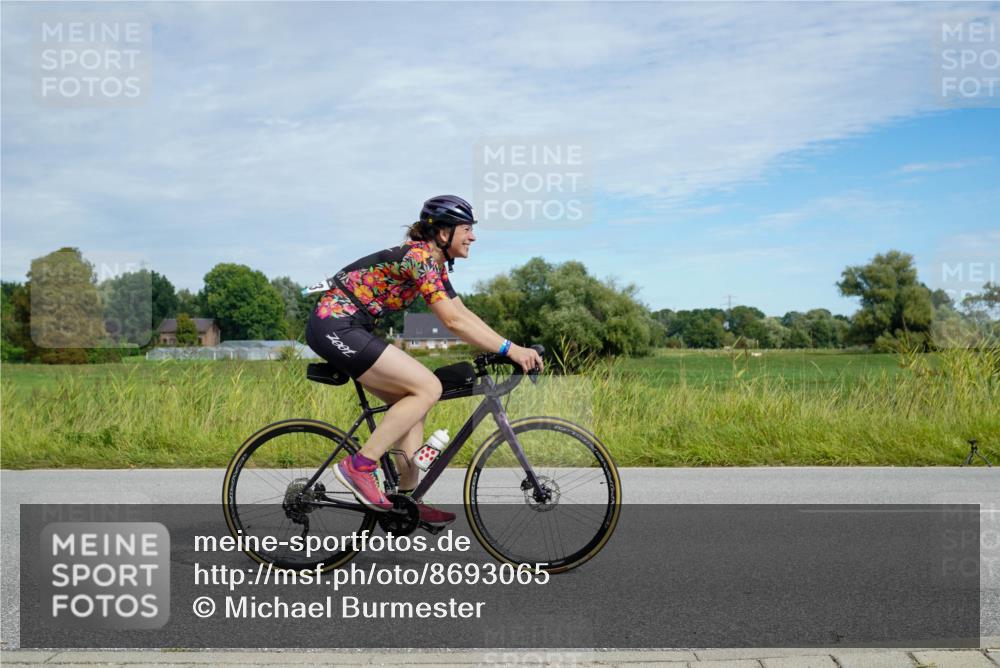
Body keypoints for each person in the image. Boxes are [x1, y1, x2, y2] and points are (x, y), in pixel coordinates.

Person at [304, 195, 543, 526]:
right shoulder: (419, 259)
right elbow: (452, 323)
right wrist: (510, 351)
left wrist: (509, 346)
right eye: (466, 229)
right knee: (427, 387)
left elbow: (462, 312)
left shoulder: (435, 264)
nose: (472, 236)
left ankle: (406, 498)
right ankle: (359, 466)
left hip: (353, 326)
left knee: (413, 401)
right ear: (443, 233)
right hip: (334, 323)